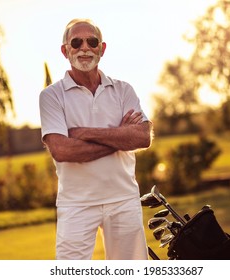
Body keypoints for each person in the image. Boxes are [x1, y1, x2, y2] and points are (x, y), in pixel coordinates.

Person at [39, 18, 153, 260]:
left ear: (102, 49)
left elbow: (143, 137)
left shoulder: (124, 90)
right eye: (76, 42)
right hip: (76, 204)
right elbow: (62, 151)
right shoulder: (51, 96)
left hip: (124, 200)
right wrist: (120, 137)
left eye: (92, 42)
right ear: (65, 50)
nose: (84, 48)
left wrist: (85, 133)